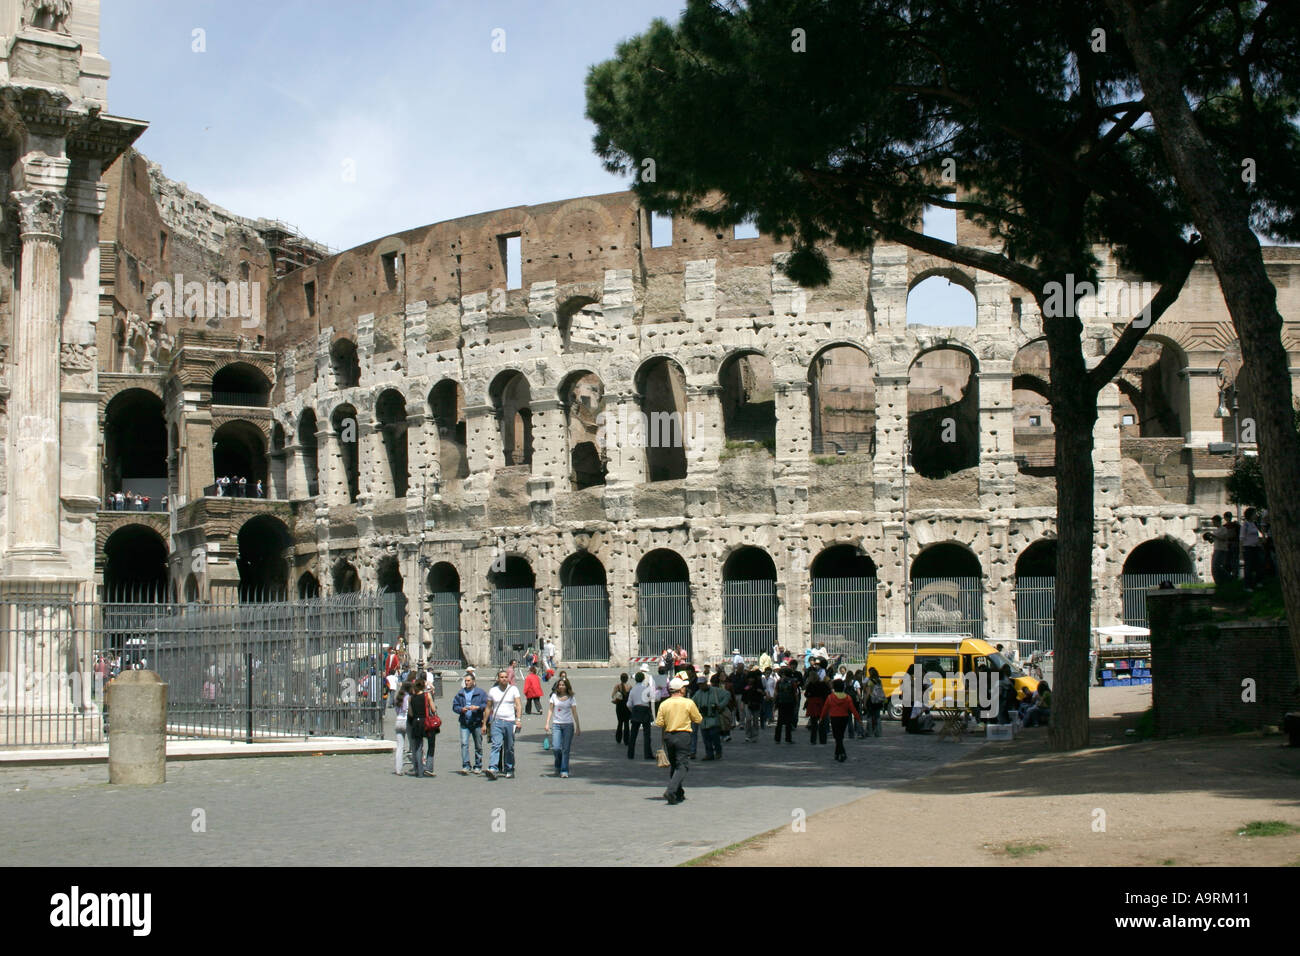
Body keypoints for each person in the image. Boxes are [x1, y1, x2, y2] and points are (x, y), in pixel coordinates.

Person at [654, 677, 702, 805]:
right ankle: (671, 790)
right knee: (683, 766)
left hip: (669, 736)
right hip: (683, 735)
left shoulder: (664, 704)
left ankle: (679, 793)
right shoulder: (688, 703)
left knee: (674, 764)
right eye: (684, 687)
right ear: (680, 690)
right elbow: (698, 719)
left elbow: (659, 722)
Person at [484, 669, 522, 780]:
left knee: (509, 747)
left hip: (510, 722)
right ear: (498, 678)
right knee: (496, 745)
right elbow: (488, 707)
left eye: (506, 677)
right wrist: (484, 723)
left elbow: (518, 705)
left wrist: (518, 719)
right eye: (502, 677)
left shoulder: (513, 689)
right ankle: (493, 768)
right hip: (497, 721)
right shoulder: (493, 691)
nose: (504, 679)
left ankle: (509, 768)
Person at [545, 677, 581, 777]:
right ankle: (558, 765)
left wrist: (578, 726)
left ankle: (564, 769)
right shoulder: (553, 696)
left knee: (566, 749)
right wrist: (547, 723)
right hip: (556, 724)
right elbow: (550, 710)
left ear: (567, 686)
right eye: (560, 685)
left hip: (568, 725)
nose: (561, 686)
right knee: (556, 748)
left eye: (563, 685)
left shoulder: (571, 697)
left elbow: (574, 712)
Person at [452, 672, 488, 774]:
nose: (466, 682)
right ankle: (466, 765)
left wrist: (477, 707)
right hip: (464, 722)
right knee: (464, 744)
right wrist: (461, 709)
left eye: (468, 681)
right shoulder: (460, 693)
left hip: (476, 721)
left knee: (478, 745)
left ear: (473, 681)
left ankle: (478, 765)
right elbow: (455, 706)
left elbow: (486, 705)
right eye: (465, 681)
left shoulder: (481, 693)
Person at [822, 678, 862, 762]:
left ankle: (842, 753)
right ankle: (837, 754)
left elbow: (825, 709)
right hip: (844, 718)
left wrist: (821, 718)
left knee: (837, 737)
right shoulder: (847, 697)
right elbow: (853, 709)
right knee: (840, 736)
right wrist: (858, 719)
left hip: (834, 718)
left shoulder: (830, 697)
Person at [407, 678, 438, 777]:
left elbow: (410, 713)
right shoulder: (426, 695)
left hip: (416, 722)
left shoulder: (410, 698)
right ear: (423, 686)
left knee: (418, 747)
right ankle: (429, 767)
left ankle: (419, 770)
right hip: (426, 722)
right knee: (431, 744)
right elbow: (433, 709)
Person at [695, 673, 730, 760]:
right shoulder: (698, 693)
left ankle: (718, 751)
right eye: (699, 685)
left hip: (714, 718)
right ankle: (709, 754)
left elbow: (727, 695)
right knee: (706, 738)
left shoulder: (715, 690)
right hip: (703, 719)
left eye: (702, 684)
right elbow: (692, 703)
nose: (701, 686)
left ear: (706, 683)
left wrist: (720, 705)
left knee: (715, 737)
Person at [626, 669, 655, 760]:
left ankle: (630, 754)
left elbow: (628, 704)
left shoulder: (633, 690)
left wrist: (632, 711)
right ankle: (647, 754)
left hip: (636, 709)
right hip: (645, 710)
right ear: (643, 679)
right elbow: (652, 698)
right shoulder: (646, 689)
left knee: (633, 734)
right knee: (647, 734)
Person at [773, 666, 800, 743]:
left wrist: (775, 702)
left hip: (781, 702)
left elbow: (776, 692)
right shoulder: (792, 681)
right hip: (790, 702)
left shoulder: (779, 681)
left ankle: (777, 738)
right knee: (789, 721)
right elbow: (795, 693)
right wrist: (796, 702)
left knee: (779, 721)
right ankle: (788, 738)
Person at [804, 669, 830, 744]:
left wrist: (810, 696)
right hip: (821, 704)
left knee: (814, 724)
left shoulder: (810, 685)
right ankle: (823, 740)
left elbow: (806, 694)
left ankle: (813, 740)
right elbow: (828, 692)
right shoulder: (823, 684)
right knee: (822, 723)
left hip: (813, 705)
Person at [392, 680, 413, 776]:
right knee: (413, 745)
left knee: (400, 747)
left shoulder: (398, 698)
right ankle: (416, 766)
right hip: (406, 721)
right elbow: (408, 710)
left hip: (398, 721)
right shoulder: (408, 697)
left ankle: (398, 769)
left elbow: (397, 710)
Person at [1241, 507, 1264, 590]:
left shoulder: (1254, 524)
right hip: (1248, 547)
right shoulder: (1245, 524)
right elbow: (1242, 538)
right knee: (1248, 567)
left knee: (1258, 565)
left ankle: (1257, 582)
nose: (1256, 515)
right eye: (1254, 514)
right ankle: (1247, 585)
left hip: (1256, 547)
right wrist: (1241, 550)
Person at [741, 668, 764, 742]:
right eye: (749, 678)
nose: (751, 680)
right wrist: (742, 703)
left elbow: (763, 693)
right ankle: (747, 735)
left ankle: (755, 735)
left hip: (756, 704)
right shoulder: (746, 684)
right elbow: (744, 694)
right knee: (748, 719)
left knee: (755, 720)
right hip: (748, 704)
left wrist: (760, 691)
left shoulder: (758, 684)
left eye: (752, 678)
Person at [864, 667, 886, 737]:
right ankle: (878, 732)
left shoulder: (870, 681)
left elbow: (867, 693)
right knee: (878, 717)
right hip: (878, 701)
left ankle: (869, 732)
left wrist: (864, 702)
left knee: (869, 717)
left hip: (872, 701)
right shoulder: (879, 680)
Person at [611, 672, 632, 743]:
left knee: (620, 722)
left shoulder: (617, 686)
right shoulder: (630, 687)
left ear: (620, 679)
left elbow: (613, 695)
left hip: (619, 707)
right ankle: (626, 740)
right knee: (626, 723)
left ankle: (618, 738)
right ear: (627, 679)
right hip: (627, 707)